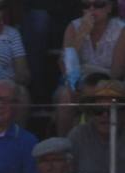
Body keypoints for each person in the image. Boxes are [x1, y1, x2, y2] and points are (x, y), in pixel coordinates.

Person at [51, 0, 125, 137]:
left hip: (109, 82)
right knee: (65, 96)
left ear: (109, 7)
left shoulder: (121, 30)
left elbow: (117, 72)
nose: (91, 9)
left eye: (98, 5)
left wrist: (94, 88)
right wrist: (81, 35)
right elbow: (65, 68)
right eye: (86, 5)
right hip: (77, 81)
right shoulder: (74, 27)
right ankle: (63, 146)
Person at [67, 79, 125, 173]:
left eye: (112, 110)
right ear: (91, 112)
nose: (105, 115)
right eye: (99, 110)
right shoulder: (78, 136)